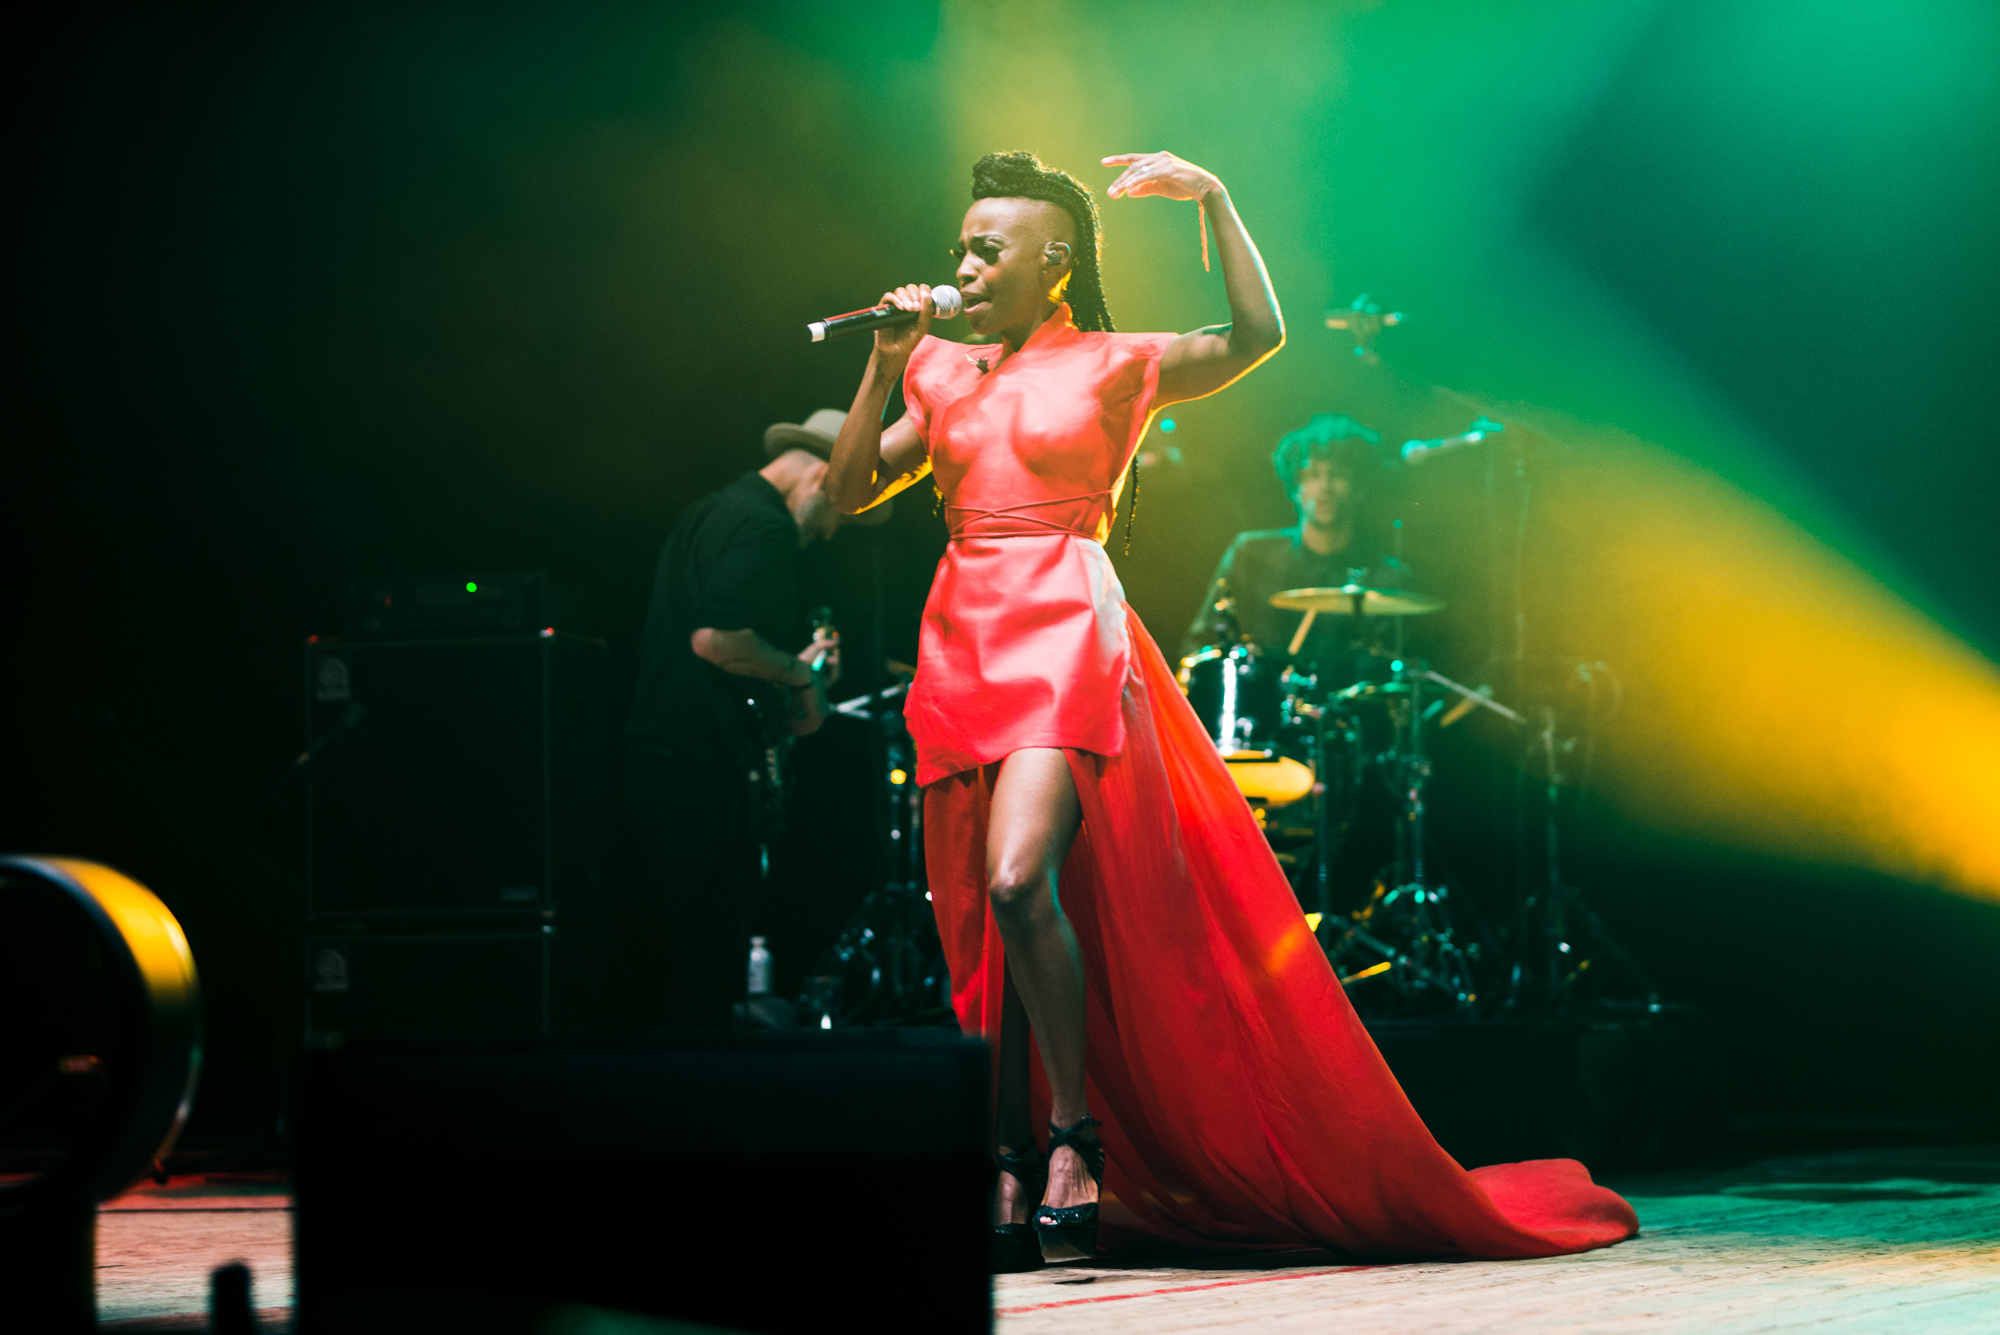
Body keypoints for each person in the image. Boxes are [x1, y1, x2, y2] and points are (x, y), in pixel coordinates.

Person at [823, 150, 1637, 1269]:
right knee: (977, 913)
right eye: (961, 246)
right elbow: (844, 497)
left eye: (986, 248)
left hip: (1062, 616)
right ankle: (1001, 1151)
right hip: (960, 630)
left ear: (1053, 261)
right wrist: (883, 364)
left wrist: (1212, 198)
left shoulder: (1115, 362)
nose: (962, 265)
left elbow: (1259, 334)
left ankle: (1072, 1134)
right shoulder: (936, 369)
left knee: (1016, 879)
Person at [623, 410, 882, 1027]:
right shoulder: (764, 526)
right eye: (844, 511)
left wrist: (791, 676)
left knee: (687, 958)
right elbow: (715, 638)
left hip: (663, 762)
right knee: (708, 964)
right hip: (698, 772)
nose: (832, 531)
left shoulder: (712, 510)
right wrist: (800, 674)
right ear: (826, 475)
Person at [1183, 413, 1403, 678]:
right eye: (1312, 475)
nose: (1325, 487)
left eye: (1338, 475)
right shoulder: (1251, 556)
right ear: (1295, 486)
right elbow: (1202, 644)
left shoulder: (1385, 578)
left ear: (1360, 488)